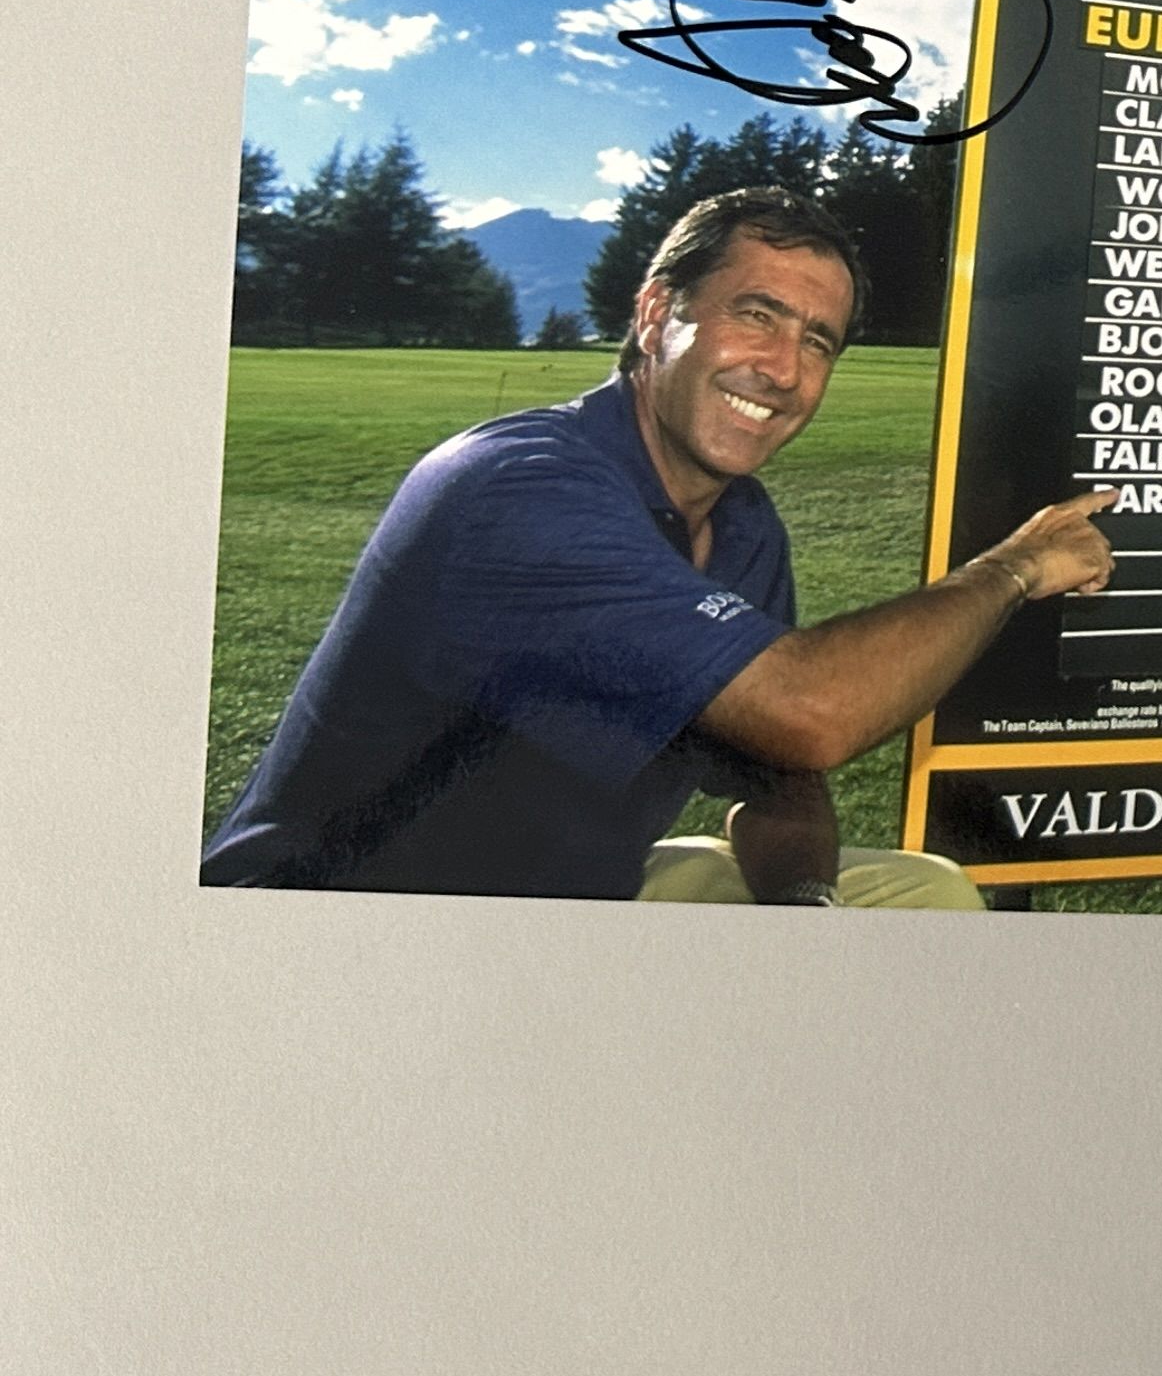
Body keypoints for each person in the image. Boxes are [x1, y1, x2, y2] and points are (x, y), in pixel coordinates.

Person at [203, 186, 1116, 906]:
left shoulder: (747, 526)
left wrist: (803, 909)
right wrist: (1013, 566)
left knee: (927, 893)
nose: (785, 370)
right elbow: (811, 714)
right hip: (348, 929)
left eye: (819, 341)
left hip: (581, 900)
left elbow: (783, 775)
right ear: (652, 315)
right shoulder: (515, 486)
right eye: (754, 315)